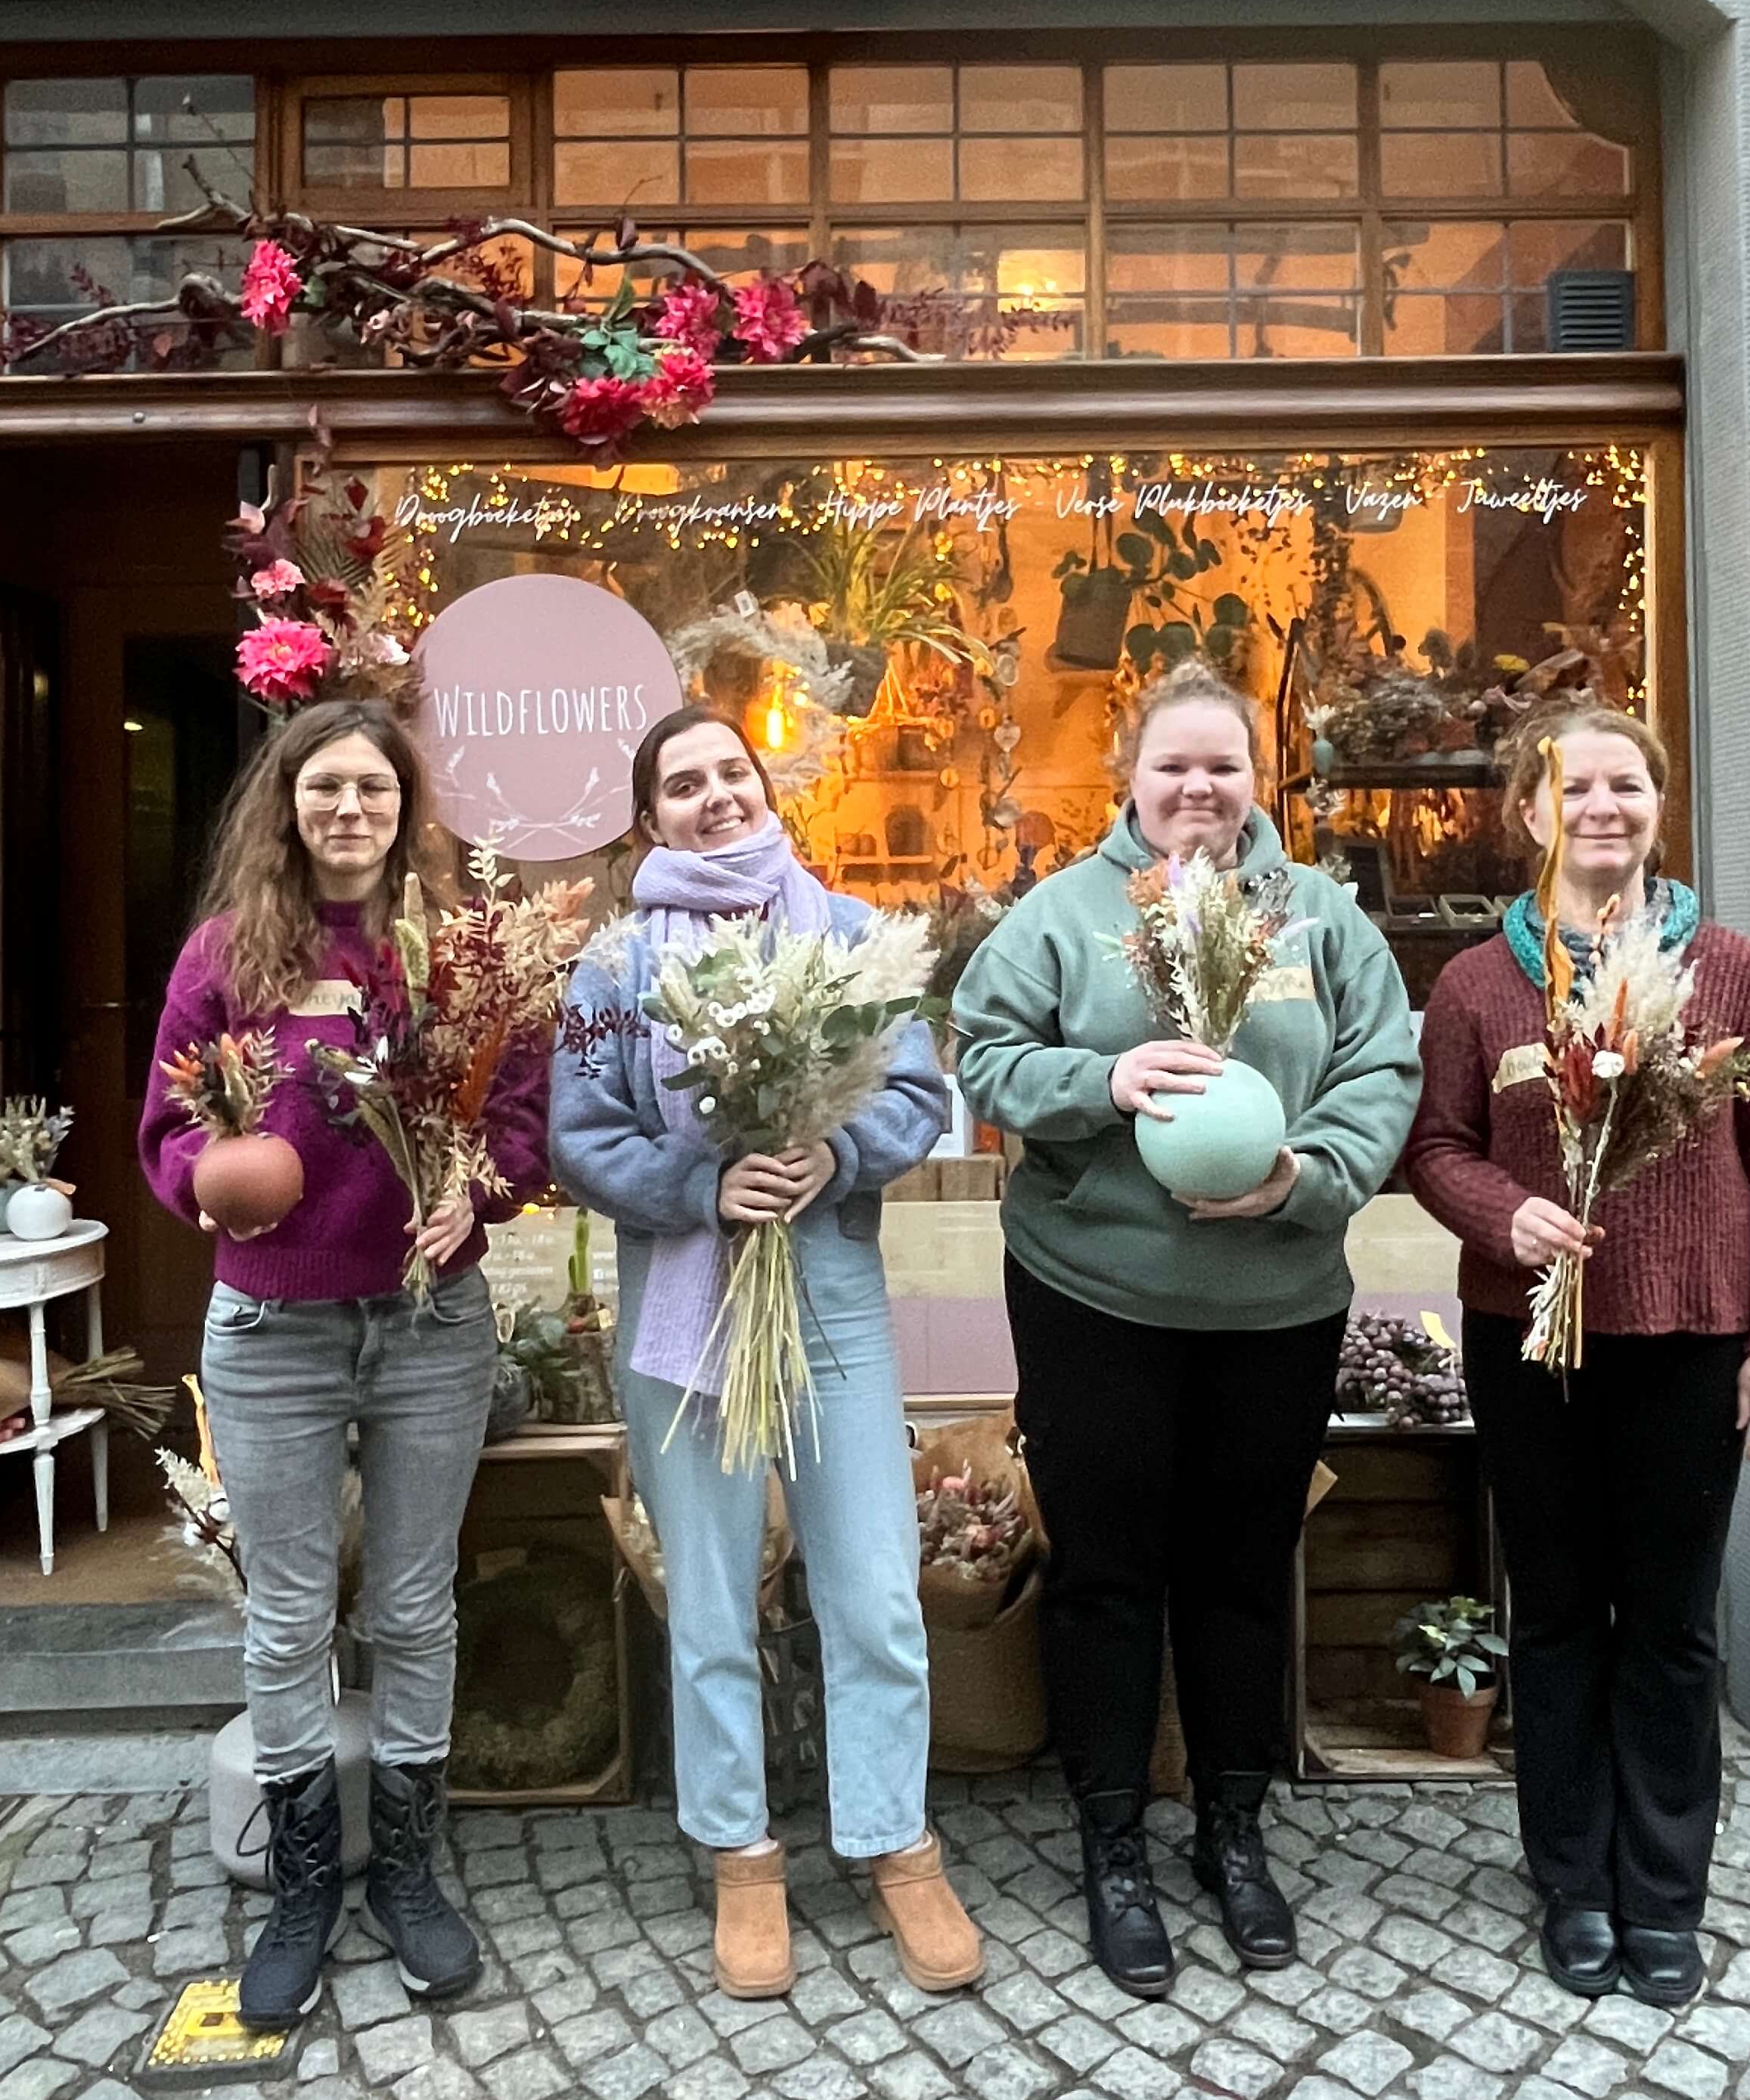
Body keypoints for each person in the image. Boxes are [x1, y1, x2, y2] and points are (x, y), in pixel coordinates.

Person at [951, 660, 1421, 1998]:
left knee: (1237, 1565)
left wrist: (1303, 1179)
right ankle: (1111, 1840)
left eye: (1223, 766)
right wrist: (1099, 1079)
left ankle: (1232, 1826)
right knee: (1105, 1572)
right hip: (1094, 1293)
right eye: (1174, 767)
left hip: (1274, 1300)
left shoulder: (1317, 918)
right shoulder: (1064, 917)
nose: (1197, 789)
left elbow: (1381, 1070)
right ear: (1132, 780)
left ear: (1258, 781)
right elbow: (980, 1051)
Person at [550, 708, 982, 2003]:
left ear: (764, 783)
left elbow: (916, 1096)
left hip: (831, 1291)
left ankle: (896, 1844)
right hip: (684, 1310)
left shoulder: (846, 937)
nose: (714, 798)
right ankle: (742, 1854)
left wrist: (830, 1156)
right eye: (683, 786)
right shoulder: (612, 967)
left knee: (871, 1591)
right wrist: (702, 1183)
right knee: (715, 1597)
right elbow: (579, 1135)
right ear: (650, 820)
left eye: (730, 773)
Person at [1404, 701, 1750, 2011]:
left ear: (1657, 804)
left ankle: (1664, 1889)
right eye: (1574, 786)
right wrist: (1500, 1212)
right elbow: (1434, 1149)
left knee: (1675, 1622)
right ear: (1532, 810)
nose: (1602, 808)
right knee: (1561, 1611)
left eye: (1627, 785)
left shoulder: (1736, 973)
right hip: (1530, 1341)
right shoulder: (1480, 984)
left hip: (1690, 1342)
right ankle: (1573, 1880)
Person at [138, 696, 548, 2027]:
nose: (350, 810)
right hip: (273, 1328)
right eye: (326, 788)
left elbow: (521, 1116)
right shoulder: (225, 957)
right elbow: (165, 1130)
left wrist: (479, 1193)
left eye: (373, 788)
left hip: (429, 1324)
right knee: (290, 1615)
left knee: (416, 1608)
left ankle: (411, 1871)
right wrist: (210, 1179)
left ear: (404, 804)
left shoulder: (454, 956)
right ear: (289, 802)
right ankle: (309, 1878)